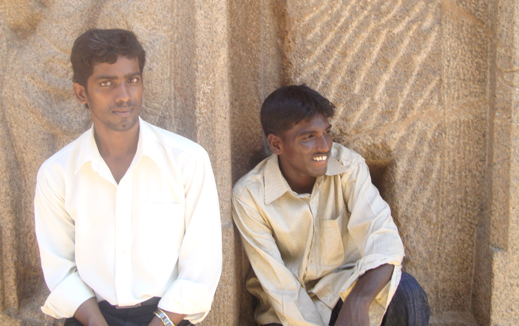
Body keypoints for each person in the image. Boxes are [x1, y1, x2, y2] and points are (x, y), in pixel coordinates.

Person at [34, 29, 222, 326]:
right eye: (106, 83)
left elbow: (201, 266)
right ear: (81, 93)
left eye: (132, 80)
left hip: (167, 318)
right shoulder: (57, 173)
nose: (123, 95)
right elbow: (60, 267)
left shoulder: (188, 161)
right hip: (91, 318)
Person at [232, 85, 430, 326]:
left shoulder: (348, 166)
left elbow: (384, 238)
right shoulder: (250, 196)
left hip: (344, 292)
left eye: (326, 132)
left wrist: (359, 300)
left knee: (407, 292)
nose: (324, 145)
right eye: (309, 137)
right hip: (287, 313)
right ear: (276, 144)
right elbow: (280, 287)